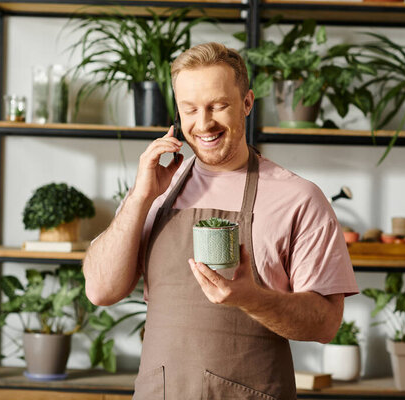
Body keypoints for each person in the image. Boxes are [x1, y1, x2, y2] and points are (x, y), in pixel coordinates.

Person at [83, 42, 358, 399]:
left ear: (247, 103)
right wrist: (139, 198)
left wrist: (252, 299)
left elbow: (326, 323)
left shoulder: (299, 198)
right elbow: (100, 290)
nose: (204, 123)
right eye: (190, 109)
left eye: (218, 106)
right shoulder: (155, 190)